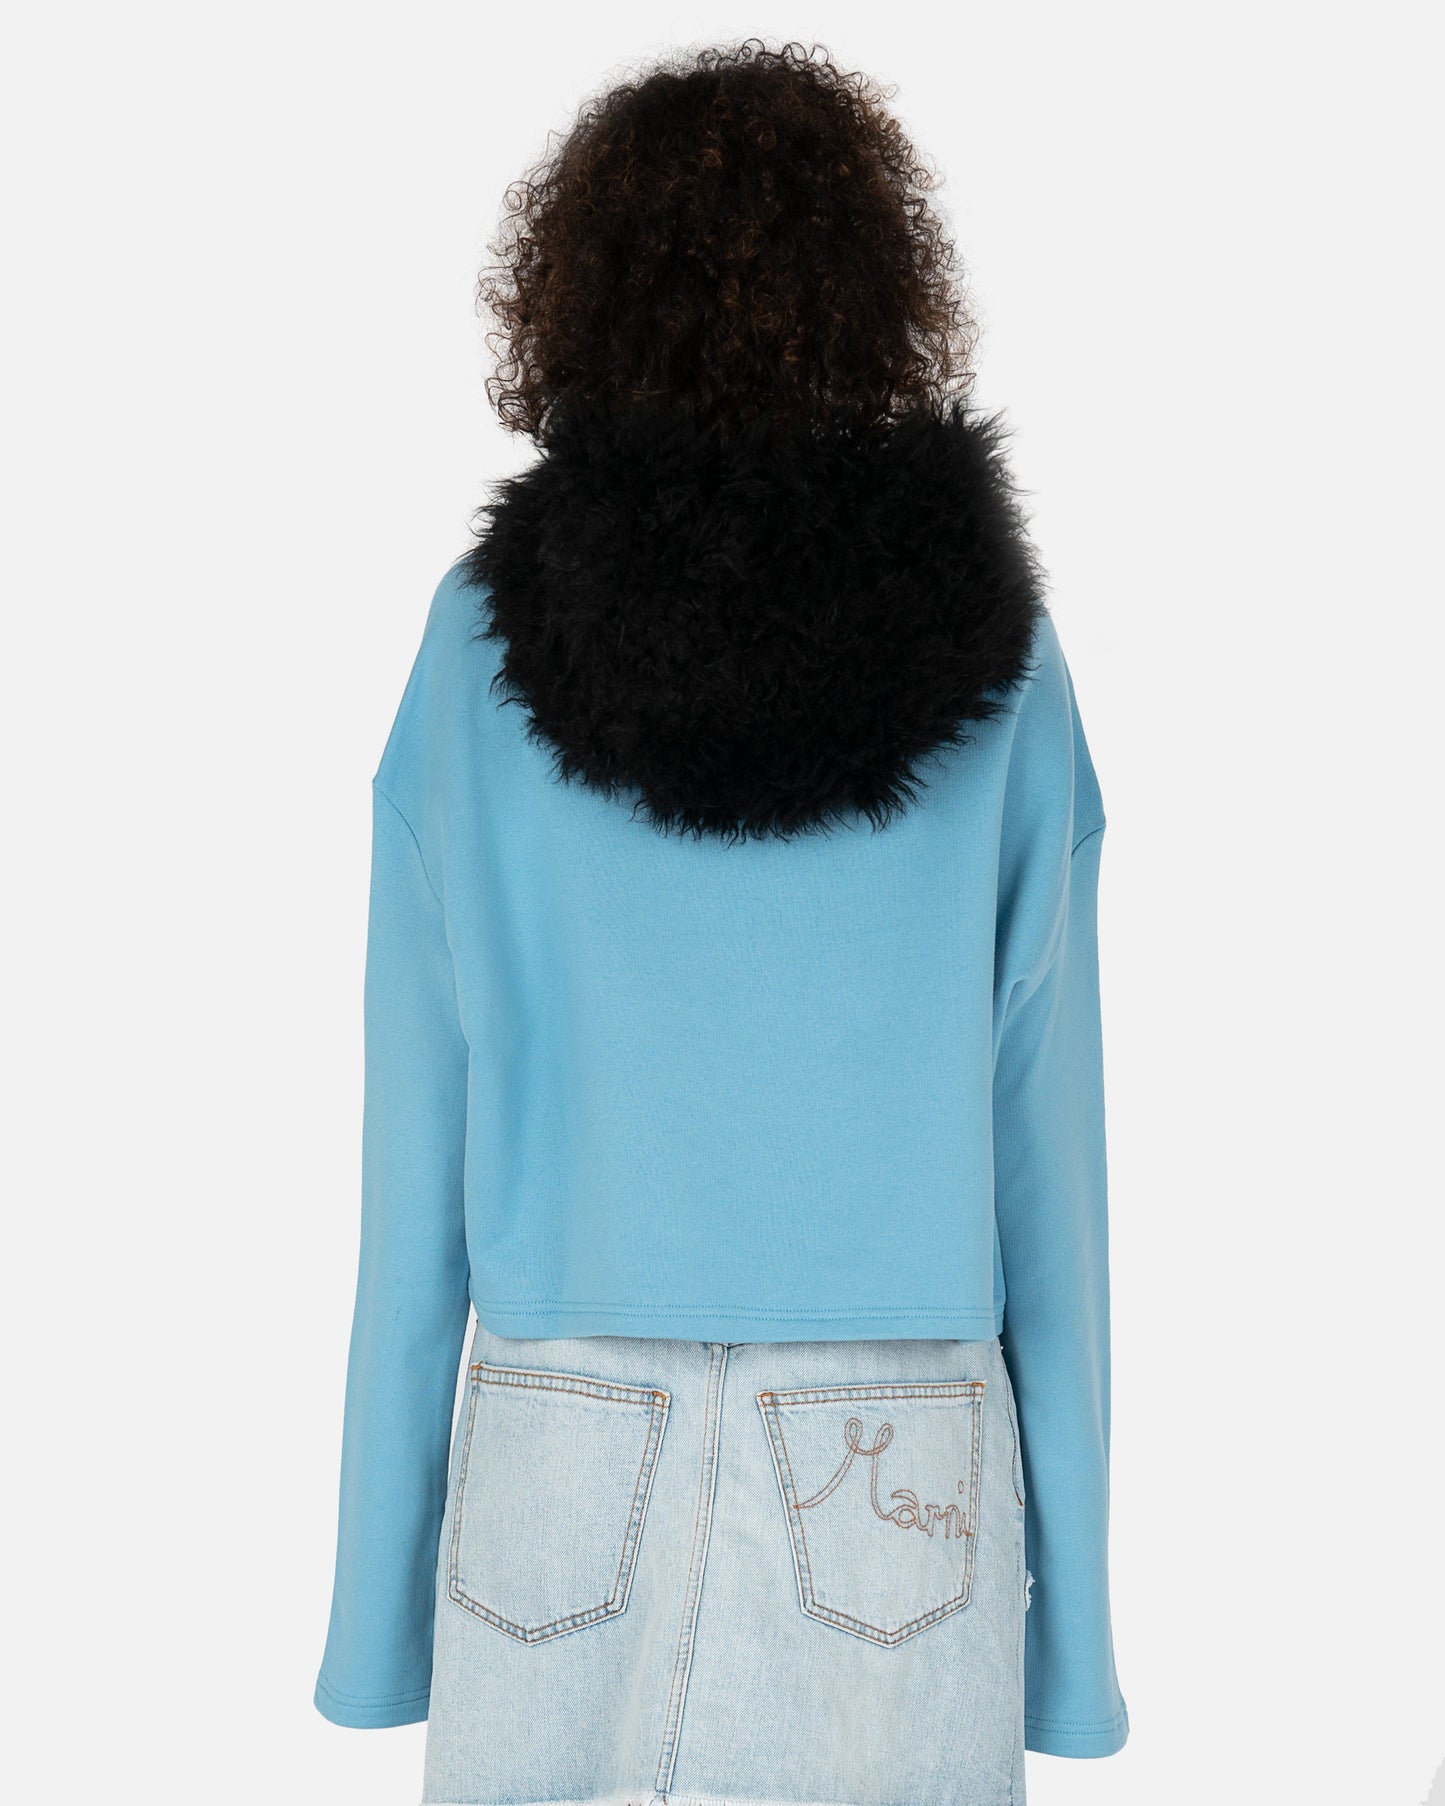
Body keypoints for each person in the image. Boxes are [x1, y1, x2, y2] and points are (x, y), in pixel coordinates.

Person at [315, 40, 1127, 1806]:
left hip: (559, 1424)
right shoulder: (998, 655)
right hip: (895, 1437)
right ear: (882, 289)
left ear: (573, 294)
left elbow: (412, 1161)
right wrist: (1073, 1649)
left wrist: (374, 1617)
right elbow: (1044, 1162)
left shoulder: (479, 645)